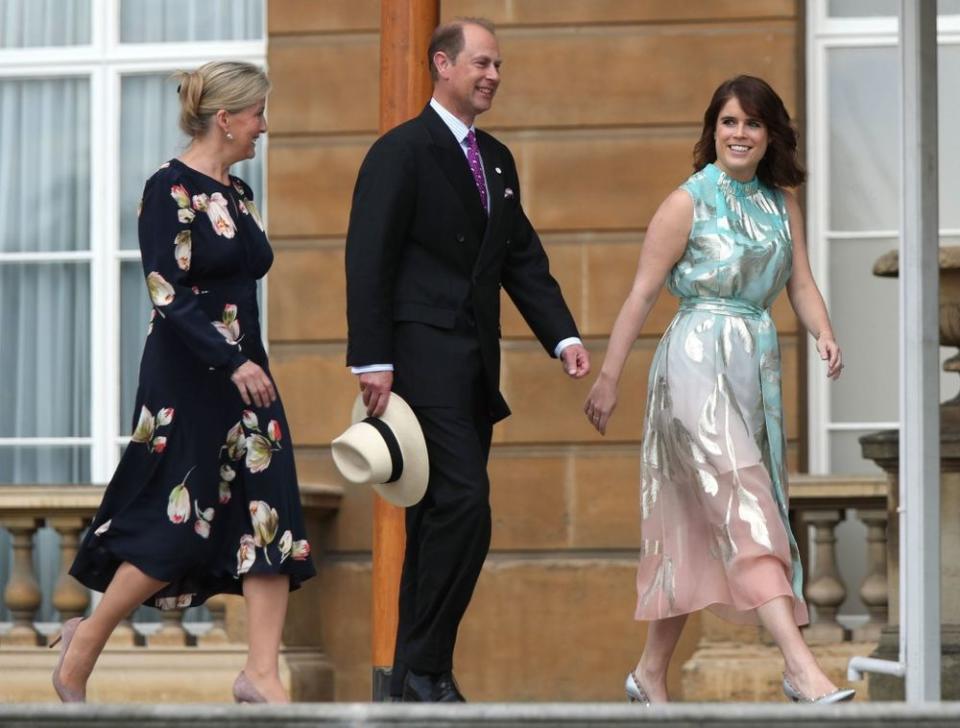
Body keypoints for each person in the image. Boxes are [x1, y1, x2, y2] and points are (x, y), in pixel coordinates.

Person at [583, 75, 854, 705]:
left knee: (696, 523)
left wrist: (825, 332)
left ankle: (649, 673)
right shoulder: (687, 202)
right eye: (729, 122)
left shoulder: (783, 204)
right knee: (747, 499)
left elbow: (802, 284)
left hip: (751, 366)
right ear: (714, 130)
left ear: (769, 136)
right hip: (694, 364)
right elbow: (641, 294)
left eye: (753, 124)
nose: (740, 134)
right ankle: (800, 666)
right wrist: (608, 376)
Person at [344, 18, 590, 702]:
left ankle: (409, 677)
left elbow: (520, 257)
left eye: (499, 66)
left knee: (437, 518)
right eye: (482, 63)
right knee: (465, 505)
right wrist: (371, 359)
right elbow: (369, 258)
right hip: (417, 361)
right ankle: (424, 668)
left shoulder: (500, 159)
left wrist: (562, 337)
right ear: (442, 65)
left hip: (474, 366)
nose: (493, 76)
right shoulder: (401, 152)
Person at [60, 61, 315, 704]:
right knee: (176, 519)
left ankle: (260, 671)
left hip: (247, 374)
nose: (264, 124)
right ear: (225, 119)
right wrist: (230, 360)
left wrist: (243, 363)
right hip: (191, 374)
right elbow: (164, 291)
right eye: (256, 112)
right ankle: (85, 641)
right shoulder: (167, 189)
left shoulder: (240, 193)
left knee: (270, 511)